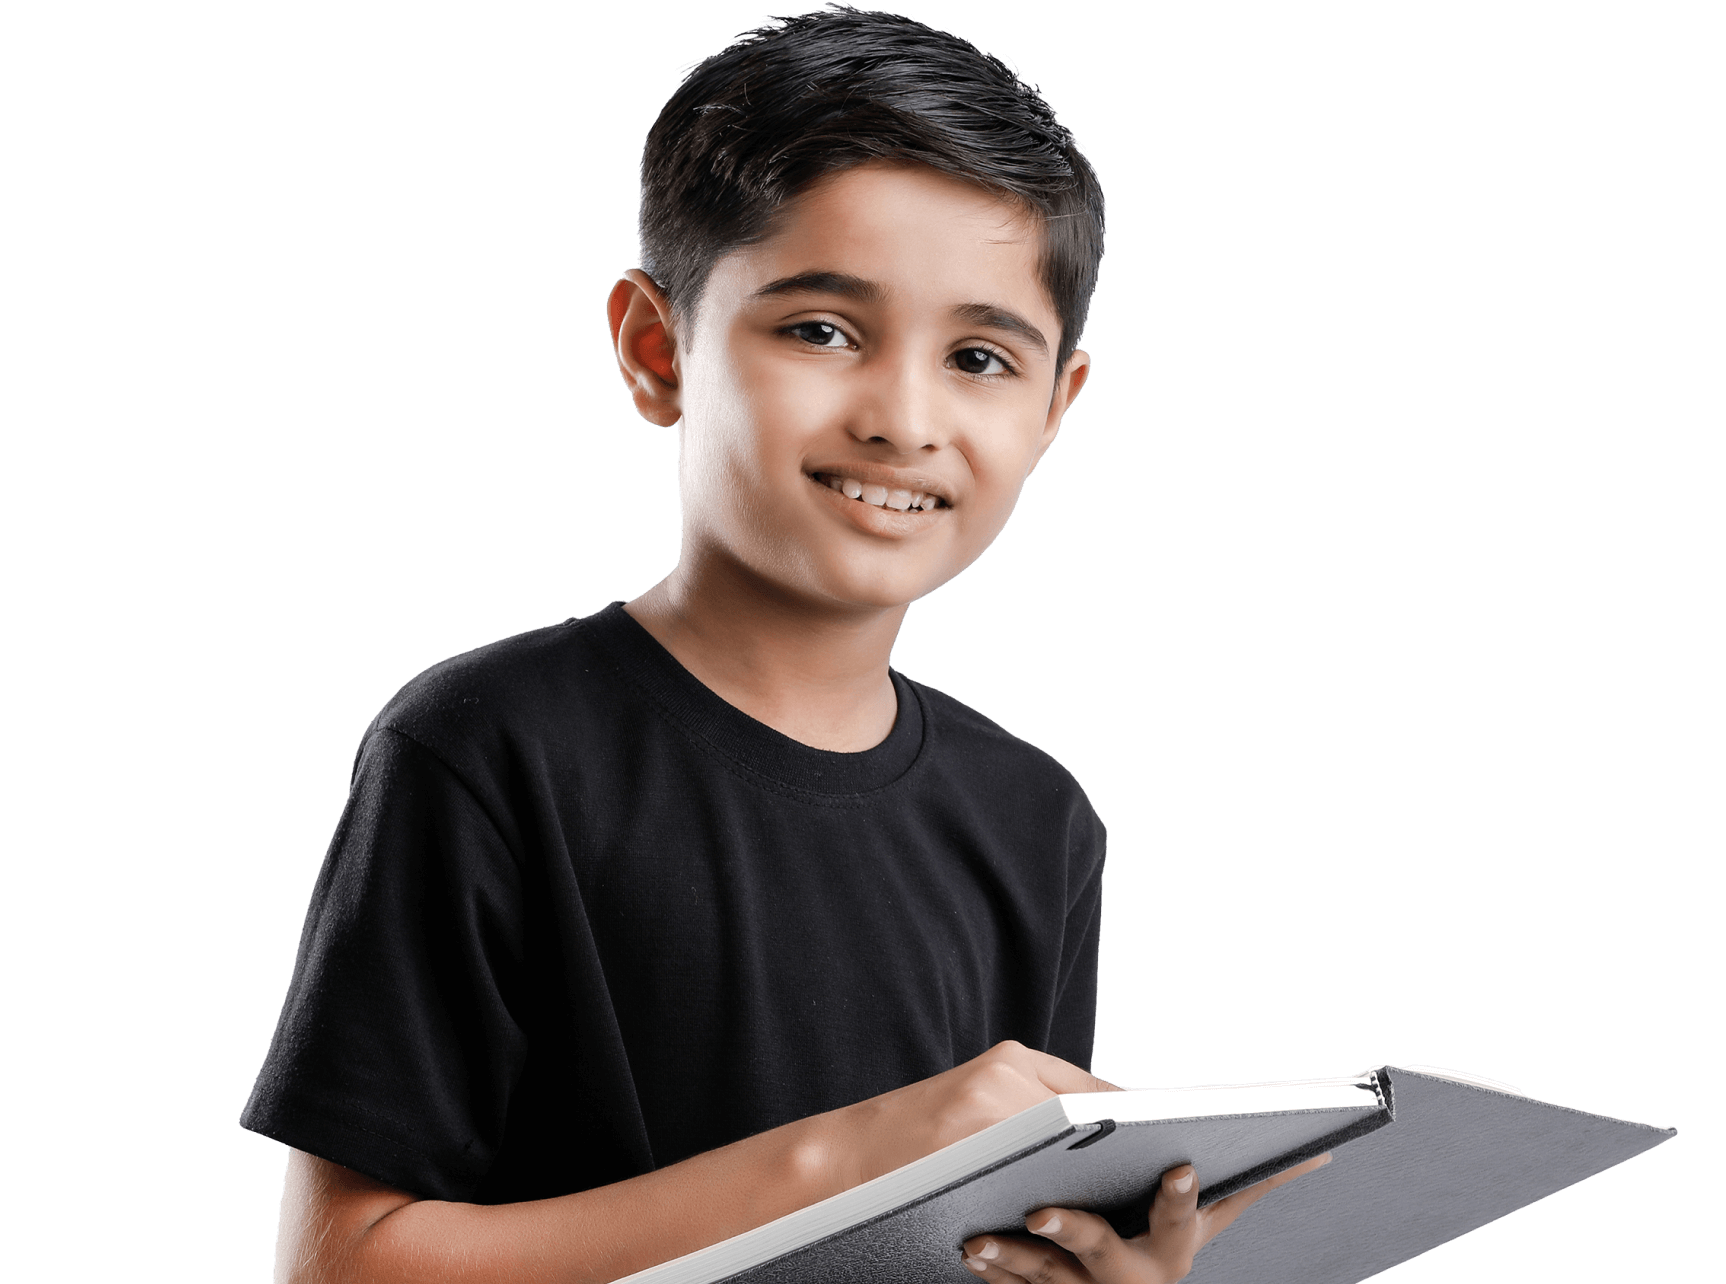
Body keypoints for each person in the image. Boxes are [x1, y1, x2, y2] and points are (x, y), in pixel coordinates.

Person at [243, 6, 1328, 1281]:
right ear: (659, 350)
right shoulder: (484, 745)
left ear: (1053, 410)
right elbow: (343, 1266)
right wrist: (850, 1155)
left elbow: (977, 1240)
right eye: (820, 329)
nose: (903, 419)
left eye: (980, 357)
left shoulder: (1040, 817)